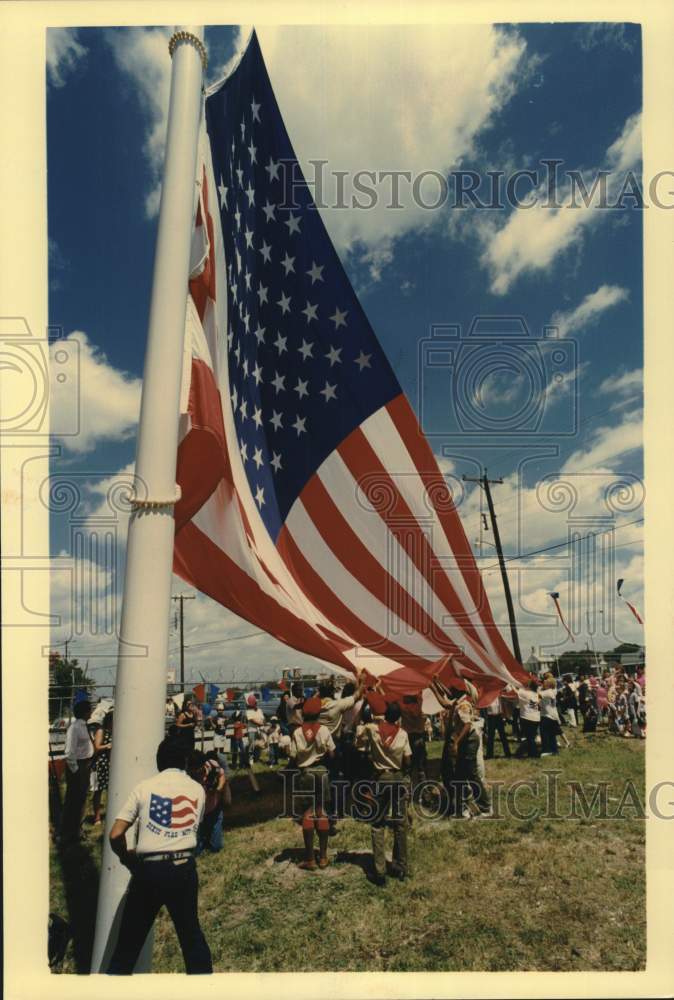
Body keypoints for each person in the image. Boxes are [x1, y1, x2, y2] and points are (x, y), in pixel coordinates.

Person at [107, 737, 212, 974]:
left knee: (127, 947)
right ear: (185, 762)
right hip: (184, 867)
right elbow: (197, 825)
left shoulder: (144, 788)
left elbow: (115, 835)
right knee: (192, 939)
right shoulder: (197, 790)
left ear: (158, 762)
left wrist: (127, 858)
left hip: (149, 871)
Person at [357, 694, 412, 884]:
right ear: (397, 718)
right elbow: (407, 759)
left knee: (378, 823)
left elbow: (360, 744)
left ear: (384, 714)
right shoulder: (403, 733)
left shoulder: (373, 730)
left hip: (381, 778)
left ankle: (380, 870)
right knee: (400, 824)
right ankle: (401, 865)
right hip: (397, 776)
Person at [288, 695, 335, 870]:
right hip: (321, 771)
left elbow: (293, 758)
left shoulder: (297, 732)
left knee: (307, 813)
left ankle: (310, 859)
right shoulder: (323, 730)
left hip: (304, 773)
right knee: (321, 811)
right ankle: (323, 857)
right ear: (318, 713)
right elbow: (332, 754)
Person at [60, 697, 94, 844]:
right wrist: (75, 771)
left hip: (85, 766)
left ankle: (77, 830)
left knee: (81, 799)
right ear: (85, 711)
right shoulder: (74, 728)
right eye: (89, 709)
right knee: (73, 800)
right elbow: (69, 752)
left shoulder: (85, 726)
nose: (91, 711)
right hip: (78, 767)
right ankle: (66, 832)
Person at [188, 750, 228, 854]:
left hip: (214, 807)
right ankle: (201, 841)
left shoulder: (213, 765)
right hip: (197, 811)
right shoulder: (188, 775)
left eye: (199, 769)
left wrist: (218, 789)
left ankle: (209, 839)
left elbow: (222, 776)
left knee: (216, 847)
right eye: (194, 770)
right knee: (196, 851)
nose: (198, 772)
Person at [400, 692, 428, 783]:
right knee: (421, 767)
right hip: (420, 738)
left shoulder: (404, 708)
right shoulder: (419, 706)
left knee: (408, 767)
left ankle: (407, 791)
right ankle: (424, 791)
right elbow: (420, 695)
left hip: (409, 738)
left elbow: (393, 700)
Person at [92, 710, 114, 825]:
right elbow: (96, 747)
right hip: (101, 764)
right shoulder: (101, 731)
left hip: (111, 764)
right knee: (98, 791)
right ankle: (97, 817)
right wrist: (107, 746)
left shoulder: (114, 731)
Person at [515, 679, 541, 758]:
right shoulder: (536, 694)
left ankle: (534, 754)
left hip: (527, 718)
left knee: (530, 738)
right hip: (536, 718)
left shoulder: (525, 693)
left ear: (529, 686)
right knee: (532, 737)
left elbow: (515, 691)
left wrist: (511, 683)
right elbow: (540, 698)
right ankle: (532, 752)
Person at [484, 694, 511, 759]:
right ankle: (489, 755)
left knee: (503, 735)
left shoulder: (499, 696)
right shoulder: (487, 696)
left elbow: (503, 705)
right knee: (491, 736)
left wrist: (504, 716)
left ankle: (508, 753)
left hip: (499, 716)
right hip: (491, 717)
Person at [539, 677, 560, 756]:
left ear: (549, 684)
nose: (543, 682)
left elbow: (537, 696)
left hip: (547, 715)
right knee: (551, 734)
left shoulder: (547, 692)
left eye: (545, 682)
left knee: (544, 733)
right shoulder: (551, 691)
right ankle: (554, 750)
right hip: (552, 715)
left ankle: (547, 750)